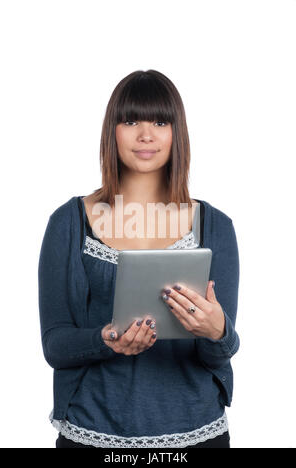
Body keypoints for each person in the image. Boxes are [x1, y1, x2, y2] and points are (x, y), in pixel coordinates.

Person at [38, 69, 240, 449]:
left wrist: (216, 330)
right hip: (92, 431)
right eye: (130, 120)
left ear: (175, 133)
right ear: (111, 131)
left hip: (196, 432)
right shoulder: (69, 222)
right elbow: (55, 344)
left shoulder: (215, 226)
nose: (145, 135)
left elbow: (221, 350)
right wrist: (105, 341)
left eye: (160, 121)